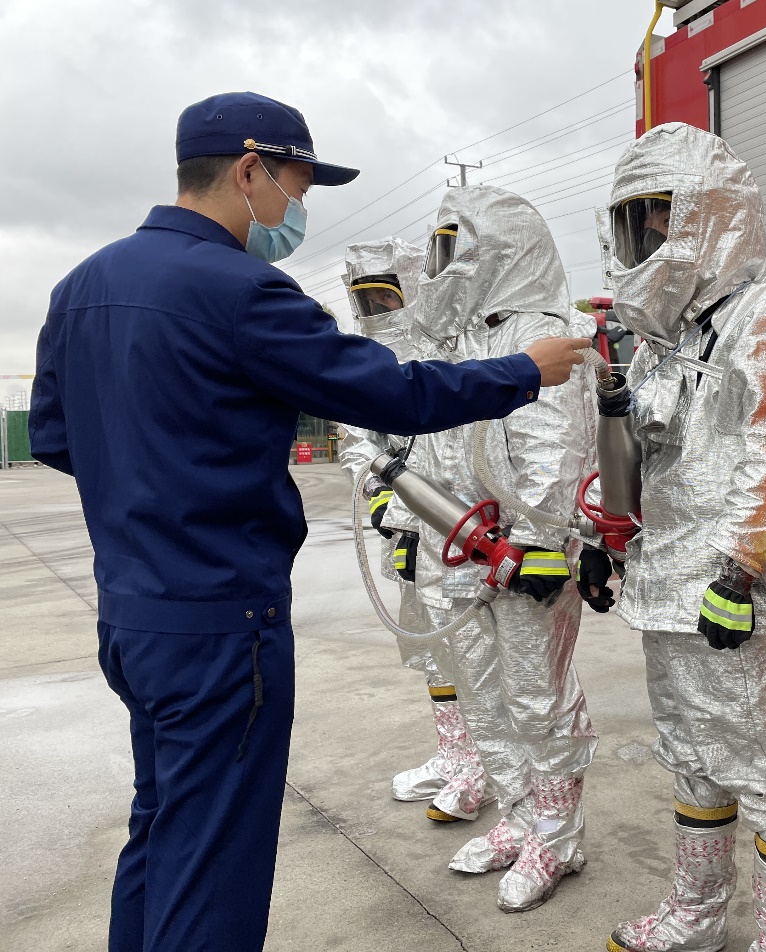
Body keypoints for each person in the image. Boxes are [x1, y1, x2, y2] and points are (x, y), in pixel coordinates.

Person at [27, 91, 589, 952]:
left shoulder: (81, 287)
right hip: (223, 623)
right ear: (249, 169)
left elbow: (61, 440)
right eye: (297, 184)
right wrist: (523, 370)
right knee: (215, 857)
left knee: (163, 820)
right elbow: (390, 393)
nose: (298, 208)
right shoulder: (242, 289)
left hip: (132, 617)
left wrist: (153, 472)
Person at [600, 122, 766, 952]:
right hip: (664, 581)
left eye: (663, 214)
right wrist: (610, 541)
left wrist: (737, 567)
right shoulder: (666, 339)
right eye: (636, 220)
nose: (651, 237)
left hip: (735, 597)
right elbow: (652, 459)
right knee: (692, 754)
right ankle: (694, 916)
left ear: (710, 215)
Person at [402, 185, 605, 912]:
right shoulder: (457, 341)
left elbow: (555, 449)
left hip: (521, 558)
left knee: (536, 698)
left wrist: (540, 540)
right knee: (486, 696)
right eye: (439, 249)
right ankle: (519, 816)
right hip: (457, 551)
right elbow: (430, 444)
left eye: (455, 247)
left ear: (503, 249)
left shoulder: (549, 333)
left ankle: (558, 833)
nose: (443, 266)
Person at [338, 238, 486, 818]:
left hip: (451, 538)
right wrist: (380, 504)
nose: (377, 309)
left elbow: (457, 455)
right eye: (365, 298)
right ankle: (454, 757)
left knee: (470, 654)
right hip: (405, 540)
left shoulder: (447, 354)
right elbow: (357, 442)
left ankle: (480, 769)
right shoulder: (362, 362)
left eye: (385, 294)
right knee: (429, 654)